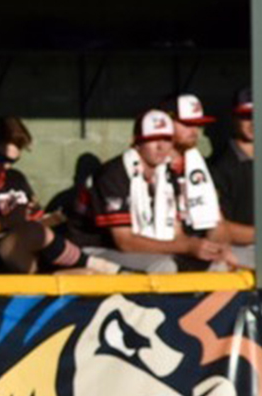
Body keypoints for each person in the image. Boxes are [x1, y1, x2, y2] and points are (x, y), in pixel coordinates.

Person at [0, 117, 120, 275]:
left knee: (89, 277)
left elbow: (39, 227)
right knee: (31, 232)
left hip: (30, 261)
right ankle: (97, 264)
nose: (7, 166)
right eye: (3, 158)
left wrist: (52, 219)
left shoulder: (15, 179)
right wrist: (4, 222)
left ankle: (98, 269)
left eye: (13, 161)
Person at [84, 108, 236, 273]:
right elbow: (124, 242)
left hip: (140, 250)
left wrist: (210, 249)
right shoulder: (115, 174)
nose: (161, 147)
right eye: (152, 139)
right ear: (135, 142)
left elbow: (176, 234)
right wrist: (187, 247)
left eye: (166, 139)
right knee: (164, 266)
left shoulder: (167, 173)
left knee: (217, 265)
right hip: (94, 250)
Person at [161, 93, 252, 259]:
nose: (194, 131)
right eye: (187, 124)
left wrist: (219, 251)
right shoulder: (148, 167)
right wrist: (191, 247)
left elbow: (216, 226)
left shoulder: (197, 164)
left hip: (195, 250)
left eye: (197, 124)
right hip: (160, 252)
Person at [209, 87, 255, 265]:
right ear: (234, 118)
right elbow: (220, 231)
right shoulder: (220, 167)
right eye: (246, 116)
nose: (253, 122)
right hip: (236, 251)